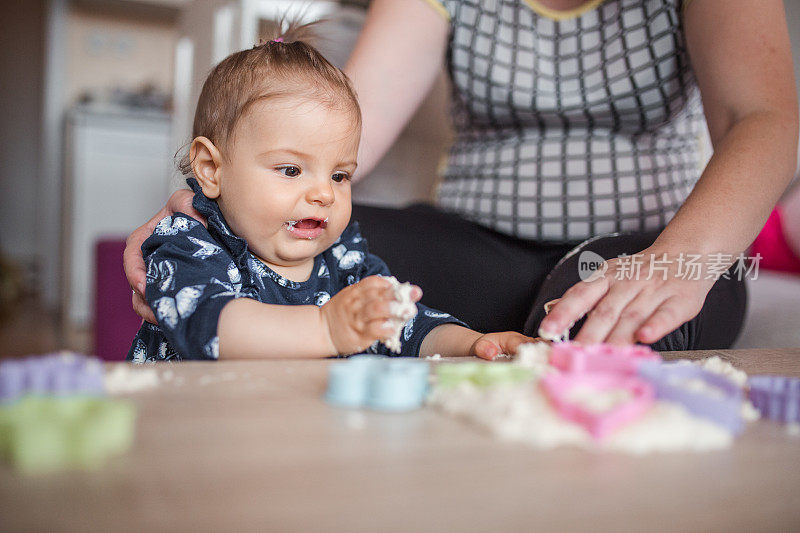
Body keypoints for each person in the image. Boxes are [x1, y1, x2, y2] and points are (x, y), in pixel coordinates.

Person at [125, 0, 798, 351]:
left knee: (594, 324)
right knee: (290, 241)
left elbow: (765, 115)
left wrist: (679, 260)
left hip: (648, 245)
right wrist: (219, 216)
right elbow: (329, 130)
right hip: (474, 242)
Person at [127, 25, 532, 362]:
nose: (324, 193)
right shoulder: (188, 244)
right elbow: (211, 327)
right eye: (291, 170)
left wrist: (473, 344)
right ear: (211, 169)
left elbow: (405, 325)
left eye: (340, 175)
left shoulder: (343, 257)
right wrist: (326, 329)